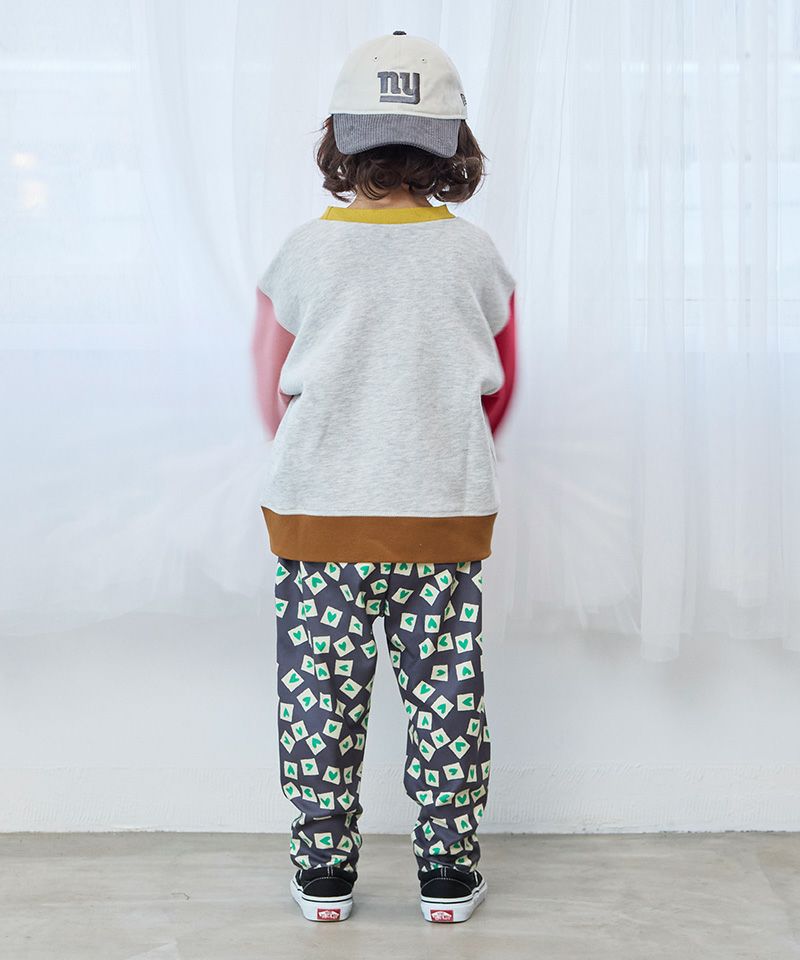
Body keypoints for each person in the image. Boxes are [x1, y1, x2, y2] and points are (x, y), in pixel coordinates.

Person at [251, 30, 517, 924]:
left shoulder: (301, 252)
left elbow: (269, 383)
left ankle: (325, 876)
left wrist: (333, 447)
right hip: (441, 517)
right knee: (447, 696)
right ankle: (446, 876)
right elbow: (500, 384)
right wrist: (439, 443)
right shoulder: (477, 256)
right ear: (452, 145)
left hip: (318, 519)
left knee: (318, 698)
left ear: (340, 138)